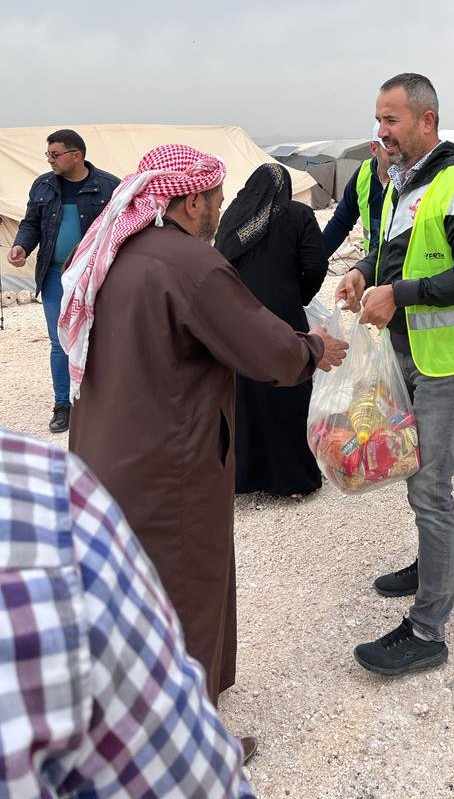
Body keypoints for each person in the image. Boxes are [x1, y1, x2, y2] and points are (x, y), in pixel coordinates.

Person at [58, 145, 347, 725]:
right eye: (215, 198)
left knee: (125, 597)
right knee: (184, 587)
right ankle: (187, 740)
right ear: (192, 200)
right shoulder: (190, 265)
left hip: (103, 455)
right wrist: (315, 349)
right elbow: (265, 348)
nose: (221, 208)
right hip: (170, 464)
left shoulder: (117, 249)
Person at [336, 73, 454, 677]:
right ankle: (427, 565)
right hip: (407, 351)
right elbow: (391, 250)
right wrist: (363, 272)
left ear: (426, 121)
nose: (380, 132)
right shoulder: (403, 184)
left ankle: (428, 627)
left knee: (431, 485)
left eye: (391, 121)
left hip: (447, 359)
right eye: (379, 120)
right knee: (412, 470)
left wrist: (399, 293)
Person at [0, 425, 256, 795]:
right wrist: (303, 364)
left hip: (112, 438)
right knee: (187, 578)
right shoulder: (38, 501)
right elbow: (187, 784)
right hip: (171, 437)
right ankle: (204, 715)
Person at [215, 163, 329, 498]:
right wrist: (298, 295)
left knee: (244, 396)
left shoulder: (233, 217)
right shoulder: (298, 215)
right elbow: (315, 264)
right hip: (284, 318)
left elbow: (219, 265)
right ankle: (294, 480)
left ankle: (242, 478)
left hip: (240, 319)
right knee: (288, 389)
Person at [6, 129, 119, 433]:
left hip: (96, 277)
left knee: (98, 339)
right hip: (55, 276)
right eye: (48, 155)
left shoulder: (109, 187)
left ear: (76, 155)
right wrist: (21, 245)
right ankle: (63, 406)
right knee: (60, 341)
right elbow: (31, 223)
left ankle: (99, 403)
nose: (50, 160)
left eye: (55, 154)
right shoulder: (42, 185)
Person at [322, 121, 391, 257]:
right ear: (374, 148)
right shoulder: (364, 175)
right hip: (373, 267)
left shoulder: (412, 177)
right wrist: (314, 260)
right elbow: (341, 223)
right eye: (389, 146)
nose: (397, 152)